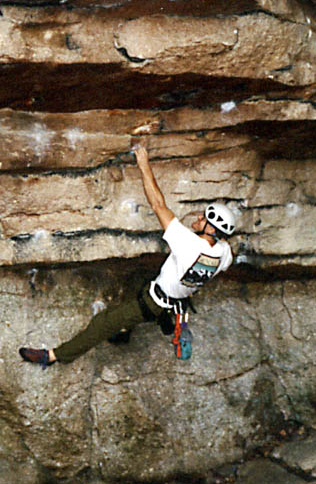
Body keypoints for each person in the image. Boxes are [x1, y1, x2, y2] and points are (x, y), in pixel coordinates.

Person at [19, 144, 236, 368]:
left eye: (204, 218)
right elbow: (224, 248)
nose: (199, 217)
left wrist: (144, 165)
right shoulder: (223, 254)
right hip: (177, 298)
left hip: (155, 302)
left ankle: (53, 356)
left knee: (102, 323)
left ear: (211, 229)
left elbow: (157, 204)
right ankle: (134, 329)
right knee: (143, 282)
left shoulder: (187, 243)